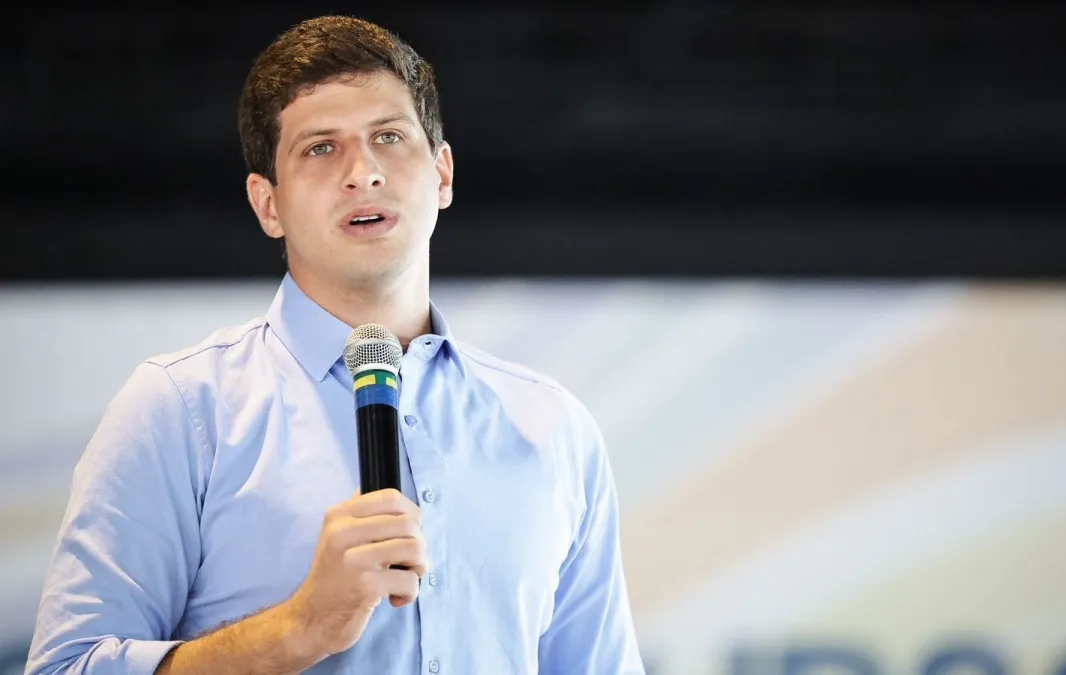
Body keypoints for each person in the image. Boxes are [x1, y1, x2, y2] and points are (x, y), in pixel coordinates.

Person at [25, 15, 644, 675]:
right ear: (268, 204)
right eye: (321, 148)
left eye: (389, 137)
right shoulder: (182, 409)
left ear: (441, 174)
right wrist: (300, 627)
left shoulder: (555, 428)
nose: (363, 172)